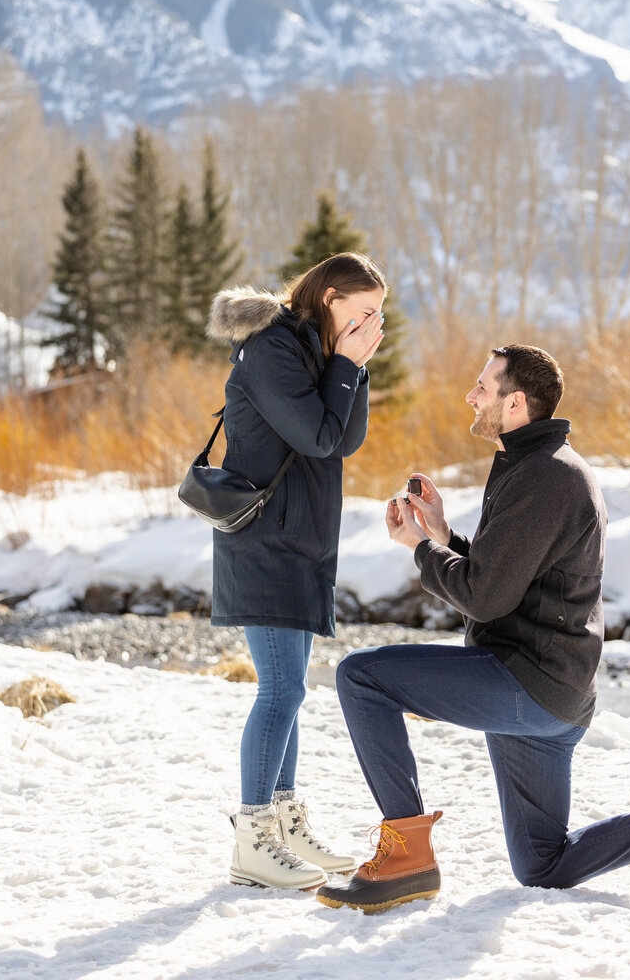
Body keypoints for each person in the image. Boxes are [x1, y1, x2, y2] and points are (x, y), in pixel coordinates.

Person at [316, 344, 630, 914]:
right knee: (543, 864)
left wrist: (421, 548)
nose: (471, 396)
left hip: (525, 683)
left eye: (484, 386)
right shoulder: (542, 467)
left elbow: (483, 595)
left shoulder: (546, 476)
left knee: (361, 676)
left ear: (516, 402)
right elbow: (503, 584)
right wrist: (444, 537)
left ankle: (406, 857)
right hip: (550, 693)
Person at [206, 252, 387, 890]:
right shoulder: (272, 348)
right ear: (330, 296)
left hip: (300, 541)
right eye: (364, 312)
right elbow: (315, 436)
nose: (373, 323)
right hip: (266, 543)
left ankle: (282, 826)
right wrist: (346, 365)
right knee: (280, 691)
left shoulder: (316, 352)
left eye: (379, 316)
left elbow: (344, 439)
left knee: (291, 692)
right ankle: (253, 839)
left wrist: (354, 369)